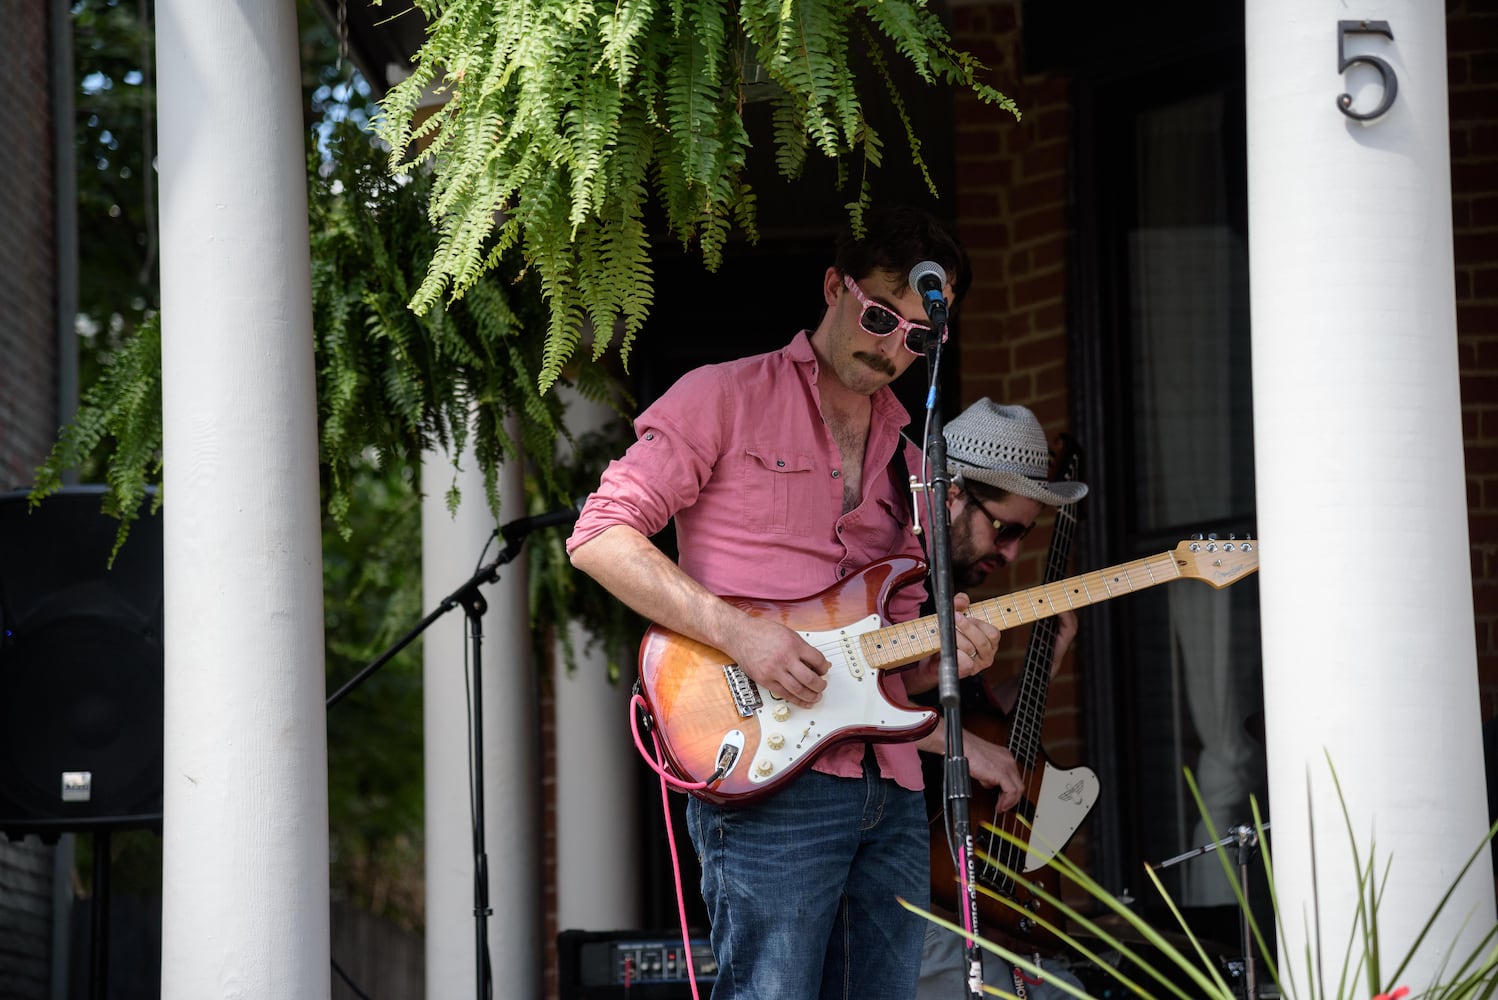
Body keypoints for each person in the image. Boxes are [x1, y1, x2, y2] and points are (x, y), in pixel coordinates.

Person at [566, 205, 1007, 1000]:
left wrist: (950, 653)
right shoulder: (723, 397)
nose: (891, 346)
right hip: (768, 771)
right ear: (834, 286)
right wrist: (744, 635)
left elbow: (892, 661)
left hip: (894, 781)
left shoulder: (916, 464)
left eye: (917, 336)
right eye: (879, 316)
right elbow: (600, 537)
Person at [910, 399, 1091, 1000]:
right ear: (953, 494)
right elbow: (859, 705)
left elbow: (982, 717)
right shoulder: (893, 578)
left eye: (1024, 535)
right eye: (1005, 529)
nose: (1012, 554)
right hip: (920, 894)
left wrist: (1050, 658)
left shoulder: (953, 595)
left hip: (992, 907)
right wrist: (967, 749)